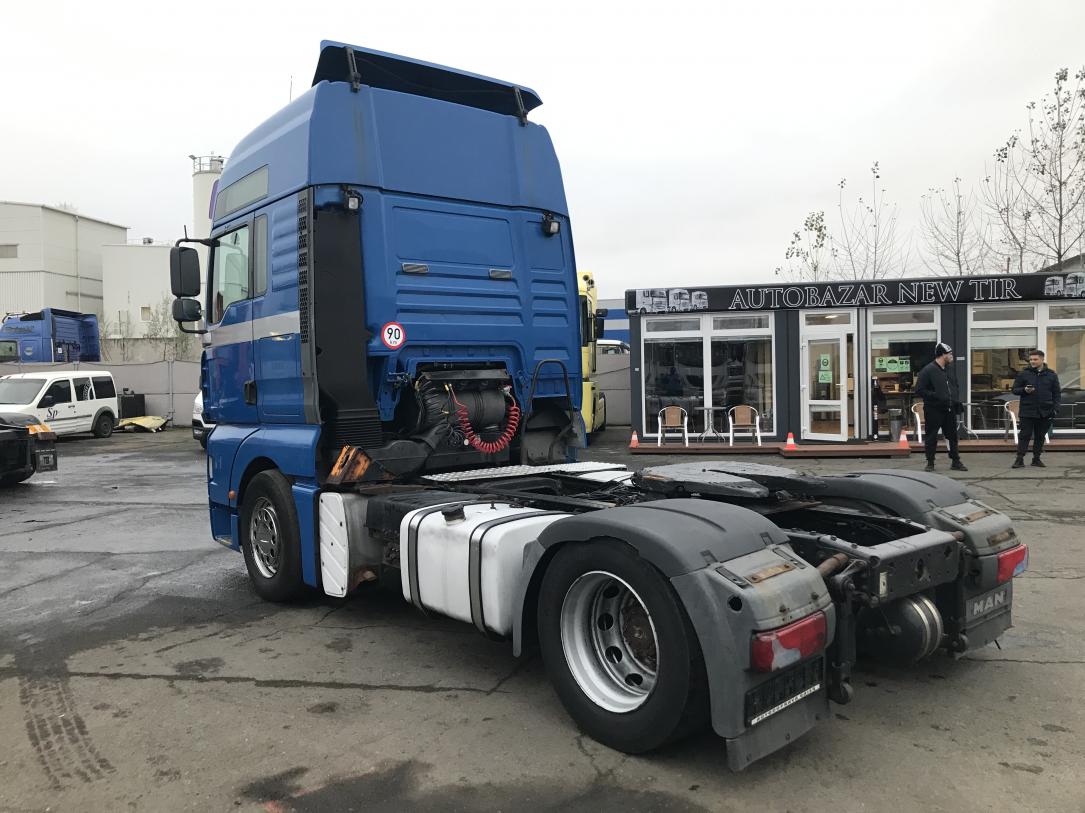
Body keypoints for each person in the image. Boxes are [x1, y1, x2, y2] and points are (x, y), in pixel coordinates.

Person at [914, 342, 967, 472]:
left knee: (952, 436)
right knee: (931, 436)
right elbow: (919, 390)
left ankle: (955, 461)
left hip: (949, 408)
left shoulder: (949, 369)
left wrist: (955, 400)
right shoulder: (927, 370)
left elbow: (955, 386)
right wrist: (935, 396)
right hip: (933, 409)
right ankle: (930, 462)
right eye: (949, 353)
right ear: (943, 355)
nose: (952, 356)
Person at [1011, 349, 1061, 468]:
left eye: (1035, 359)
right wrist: (1024, 390)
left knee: (1040, 436)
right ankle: (1019, 459)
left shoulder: (1051, 375)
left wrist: (1055, 409)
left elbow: (1056, 393)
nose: (1032, 361)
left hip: (1045, 411)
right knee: (1025, 435)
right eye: (1031, 359)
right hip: (1027, 410)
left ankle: (1036, 459)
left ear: (1042, 359)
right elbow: (1014, 390)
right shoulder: (1024, 373)